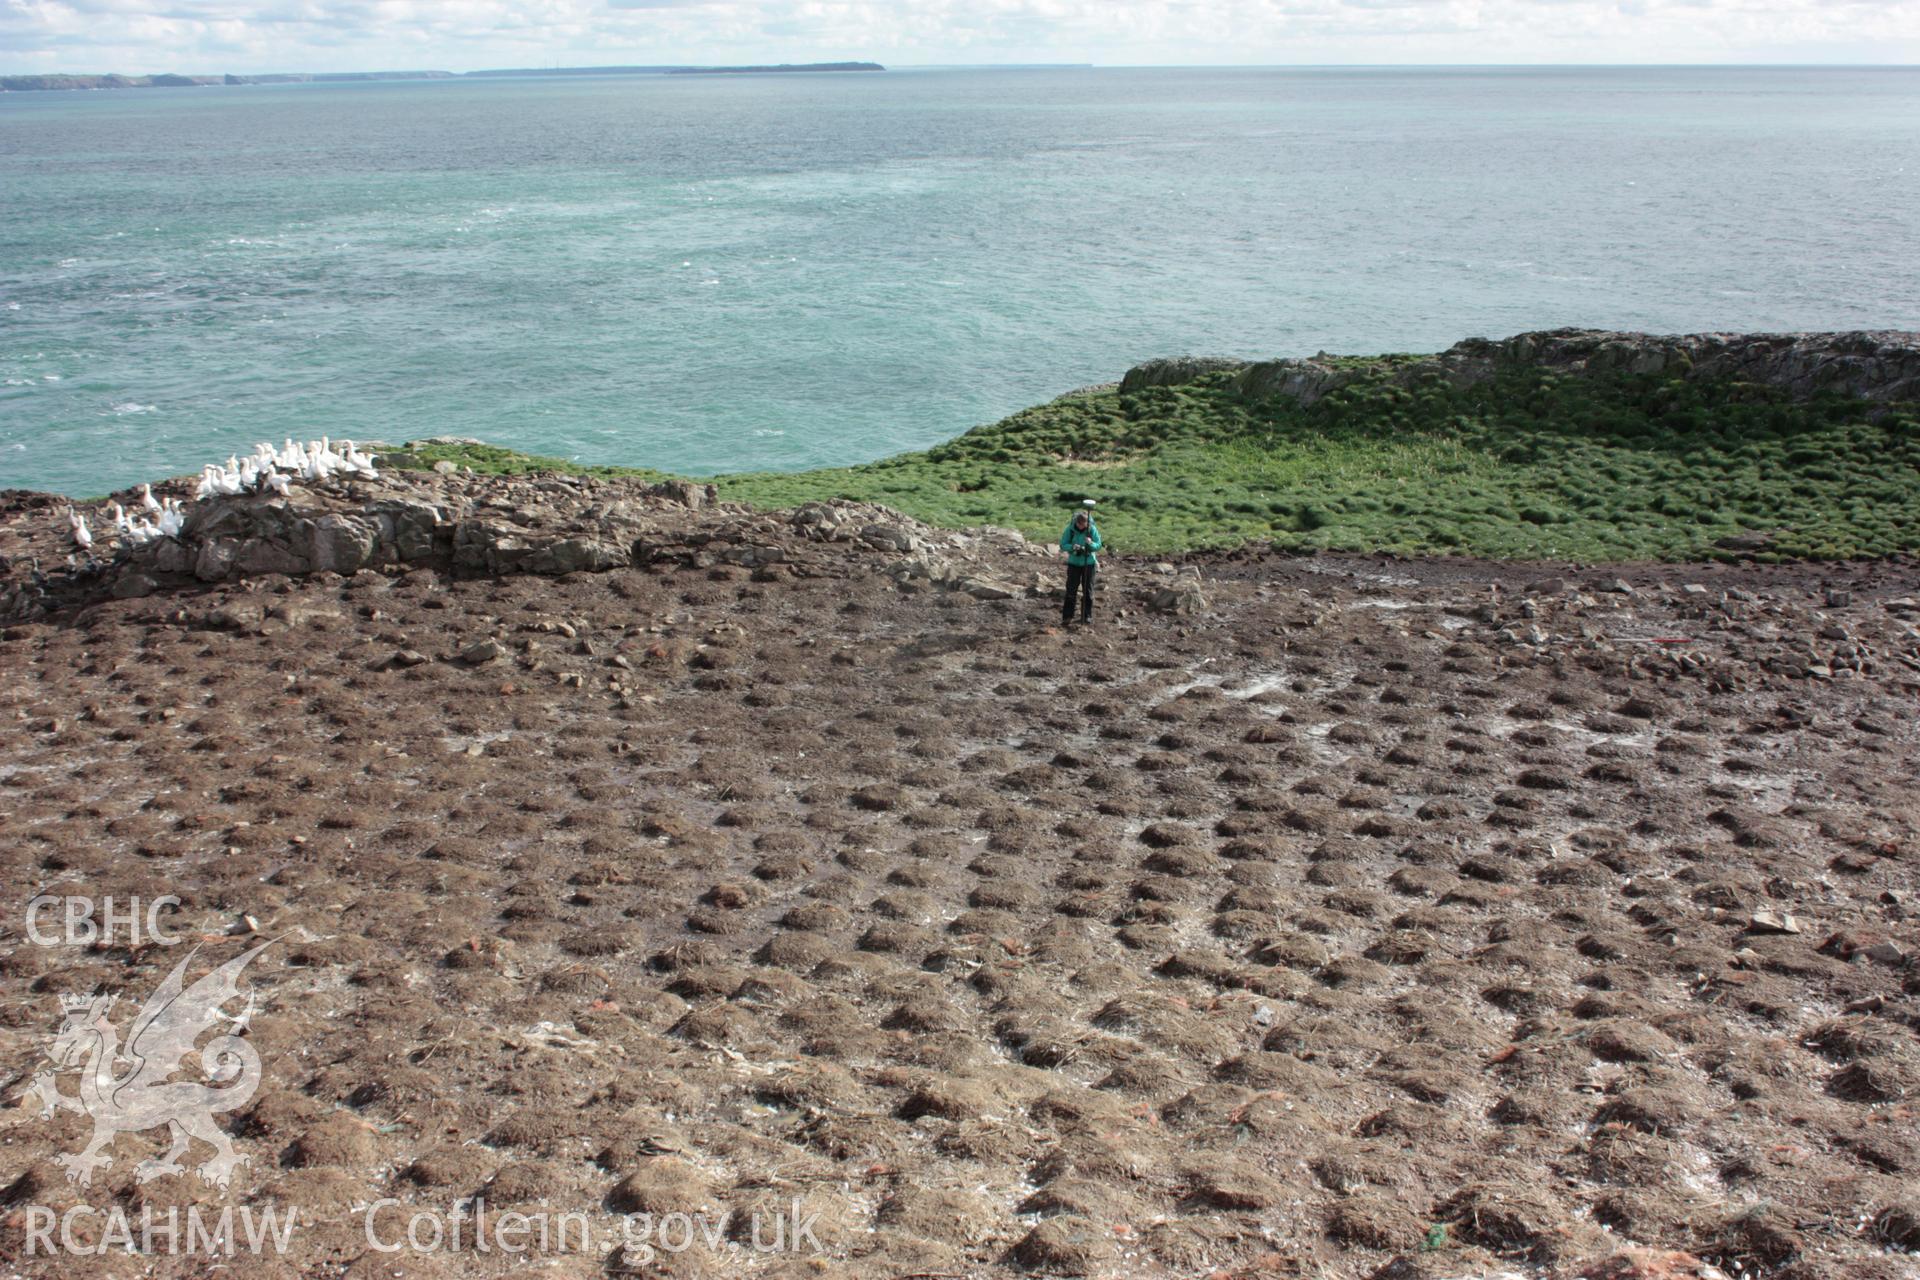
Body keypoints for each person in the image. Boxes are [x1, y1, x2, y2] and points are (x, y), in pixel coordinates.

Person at [1059, 505, 1102, 625]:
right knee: (1071, 590)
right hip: (1074, 563)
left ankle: (1086, 616)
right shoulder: (1070, 529)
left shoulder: (1092, 530)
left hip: (1089, 564)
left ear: (1087, 524)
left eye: (1083, 525)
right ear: (1076, 522)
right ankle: (1067, 617)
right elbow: (1063, 544)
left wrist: (1090, 544)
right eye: (1079, 524)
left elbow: (1098, 545)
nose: (1080, 527)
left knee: (1088, 591)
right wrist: (1073, 548)